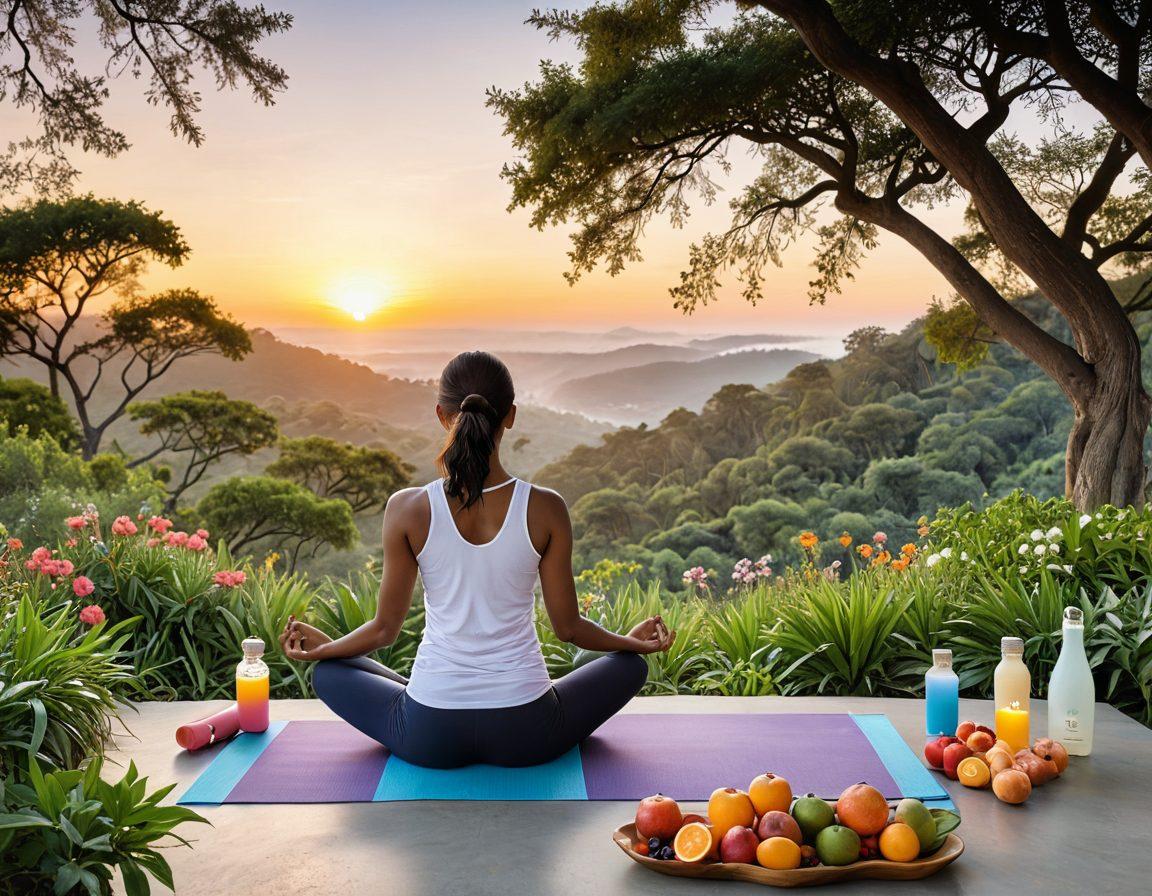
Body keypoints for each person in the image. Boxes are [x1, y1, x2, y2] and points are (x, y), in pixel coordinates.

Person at [279, 350, 675, 768]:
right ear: (511, 416)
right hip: (528, 732)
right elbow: (569, 628)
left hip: (429, 733)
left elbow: (383, 631)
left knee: (328, 673)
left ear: (441, 415)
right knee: (629, 667)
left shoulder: (406, 508)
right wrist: (630, 644)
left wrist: (325, 652)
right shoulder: (546, 507)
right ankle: (388, 673)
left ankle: (349, 659)